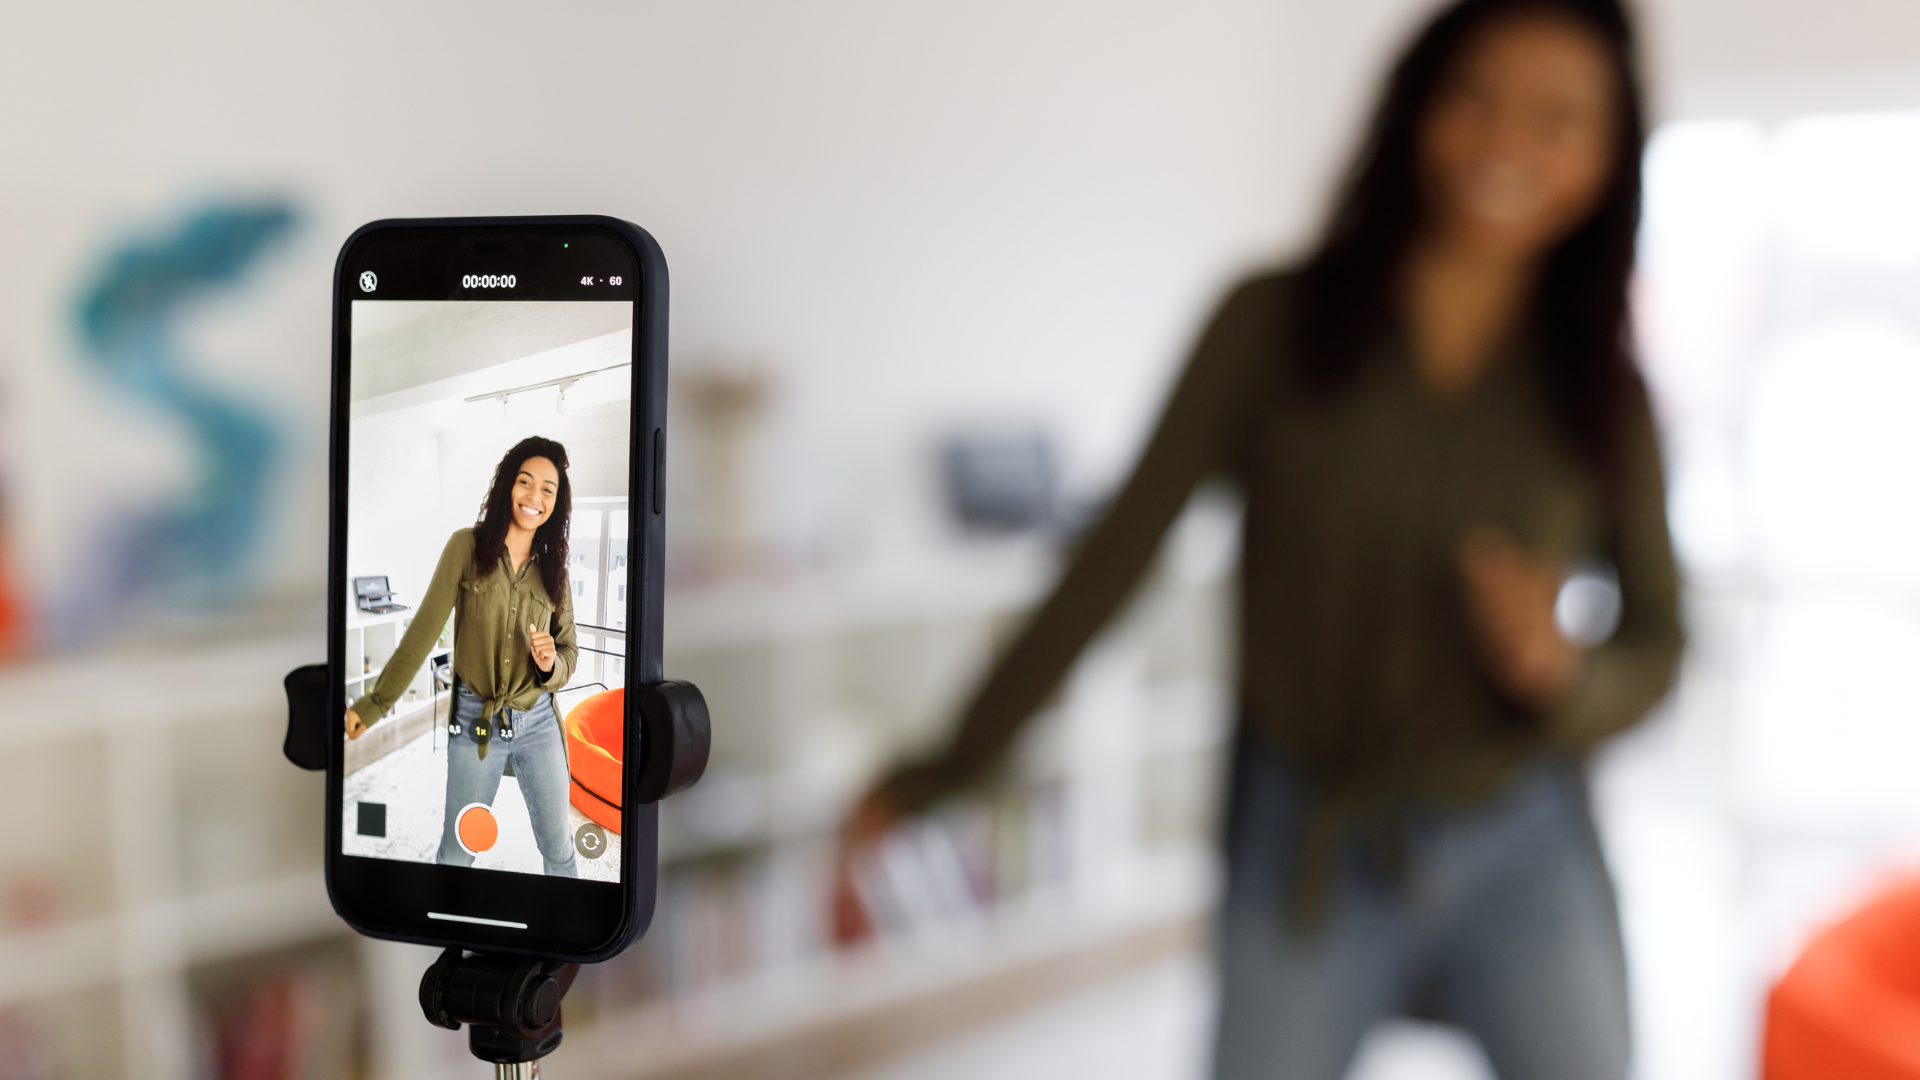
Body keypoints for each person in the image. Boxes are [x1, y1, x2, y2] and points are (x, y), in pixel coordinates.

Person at [840, 1, 1682, 1077]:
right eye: (1479, 97)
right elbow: (1109, 566)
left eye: (1562, 117)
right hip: (1308, 838)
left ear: (1611, 155)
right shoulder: (1271, 325)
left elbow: (1662, 646)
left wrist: (1565, 673)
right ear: (1417, 107)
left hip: (1522, 839)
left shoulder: (1608, 392)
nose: (1510, 141)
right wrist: (941, 772)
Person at [347, 436, 582, 878]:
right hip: (476, 721)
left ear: (557, 502)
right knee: (458, 852)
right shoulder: (465, 548)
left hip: (538, 721)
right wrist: (374, 704)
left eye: (547, 489)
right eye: (525, 482)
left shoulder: (557, 571)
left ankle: (568, 937)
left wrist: (551, 664)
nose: (534, 496)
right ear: (507, 486)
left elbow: (569, 653)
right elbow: (422, 631)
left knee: (559, 846)